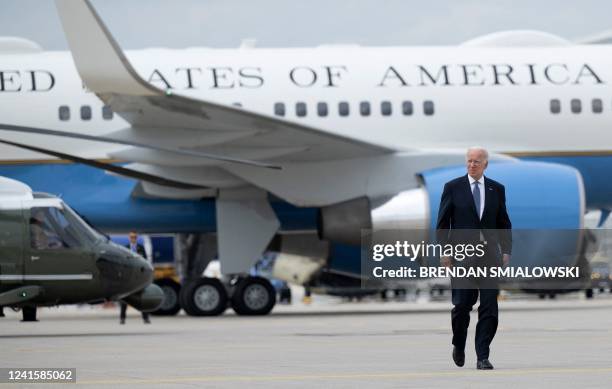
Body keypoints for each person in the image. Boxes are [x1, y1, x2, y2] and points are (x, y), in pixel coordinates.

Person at [436, 147, 512, 370]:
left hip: (489, 257)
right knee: (461, 305)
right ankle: (459, 344)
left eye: (477, 161)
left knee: (489, 308)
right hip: (462, 257)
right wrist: (445, 251)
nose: (472, 165)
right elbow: (442, 224)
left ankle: (482, 356)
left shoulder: (496, 189)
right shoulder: (453, 188)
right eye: (469, 161)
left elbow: (503, 223)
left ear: (485, 164)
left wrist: (506, 250)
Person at [120, 231, 151, 324]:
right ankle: (122, 318)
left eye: (134, 237)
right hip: (129, 277)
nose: (133, 238)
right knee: (125, 298)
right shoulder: (125, 248)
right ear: (129, 238)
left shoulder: (141, 248)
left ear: (136, 238)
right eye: (131, 237)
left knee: (142, 297)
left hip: (139, 277)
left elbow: (145, 261)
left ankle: (145, 318)